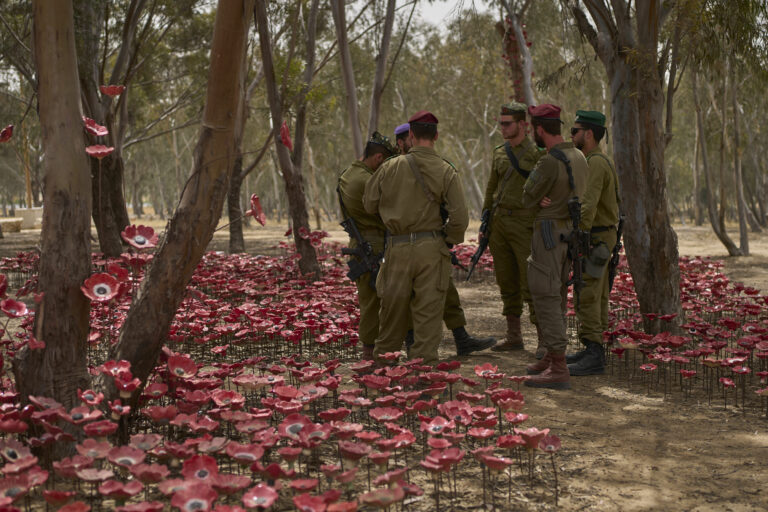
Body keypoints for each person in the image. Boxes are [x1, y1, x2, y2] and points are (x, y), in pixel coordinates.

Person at [364, 111, 468, 366]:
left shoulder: (389, 167)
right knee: (428, 315)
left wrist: (395, 212)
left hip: (396, 248)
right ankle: (423, 376)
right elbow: (460, 218)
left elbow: (368, 204)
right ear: (436, 136)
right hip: (431, 249)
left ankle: (384, 373)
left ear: (410, 135)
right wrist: (447, 239)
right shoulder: (446, 170)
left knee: (391, 313)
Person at [395, 122, 496, 357]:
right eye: (408, 139)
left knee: (447, 290)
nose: (413, 143)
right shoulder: (394, 168)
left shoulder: (434, 166)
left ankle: (461, 337)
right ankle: (412, 342)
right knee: (407, 296)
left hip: (432, 240)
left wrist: (447, 239)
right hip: (401, 244)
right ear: (401, 142)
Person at [521, 104, 588, 390]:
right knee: (557, 292)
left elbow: (526, 197)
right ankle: (551, 355)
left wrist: (538, 200)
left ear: (539, 129)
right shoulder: (579, 155)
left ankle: (558, 366)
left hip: (548, 232)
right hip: (568, 233)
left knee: (545, 293)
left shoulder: (549, 161)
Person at [480, 102, 544, 354]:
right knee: (506, 281)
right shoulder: (499, 152)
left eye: (507, 123)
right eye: (501, 123)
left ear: (523, 125)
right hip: (500, 224)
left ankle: (543, 340)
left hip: (525, 223)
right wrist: (486, 221)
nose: (503, 128)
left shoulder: (538, 153)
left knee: (531, 283)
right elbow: (490, 188)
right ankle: (514, 335)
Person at [567, 110, 620, 376]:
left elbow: (587, 207)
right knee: (596, 293)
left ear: (588, 134)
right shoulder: (596, 160)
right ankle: (591, 347)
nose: (571, 136)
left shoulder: (596, 163)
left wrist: (579, 237)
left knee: (587, 290)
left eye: (575, 131)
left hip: (595, 238)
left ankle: (594, 353)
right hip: (599, 236)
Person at [338, 132, 398, 360]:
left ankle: (370, 350)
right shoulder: (367, 180)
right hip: (373, 243)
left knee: (368, 299)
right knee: (378, 300)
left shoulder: (346, 175)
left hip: (359, 241)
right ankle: (372, 352)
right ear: (379, 158)